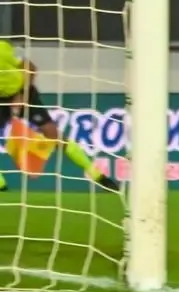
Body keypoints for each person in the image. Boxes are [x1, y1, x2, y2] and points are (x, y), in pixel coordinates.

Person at [0, 40, 120, 195]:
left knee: (52, 133)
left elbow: (30, 67)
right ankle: (1, 185)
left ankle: (97, 175)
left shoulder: (3, 49)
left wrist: (21, 95)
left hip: (22, 92)